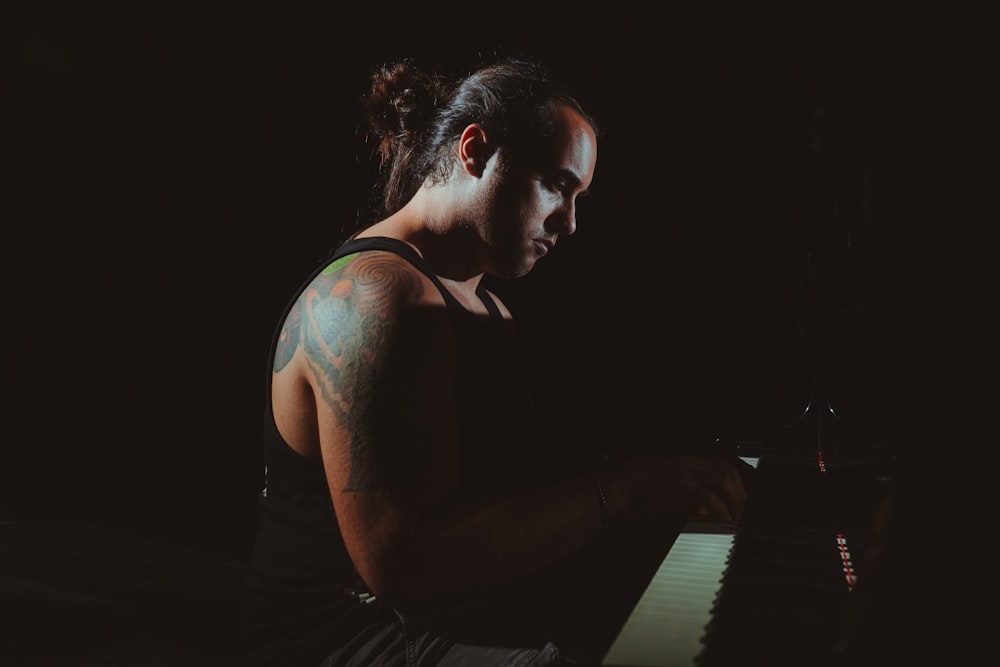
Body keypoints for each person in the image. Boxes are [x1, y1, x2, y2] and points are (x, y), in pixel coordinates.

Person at [242, 55, 749, 667]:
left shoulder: (489, 308)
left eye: (579, 196)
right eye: (557, 185)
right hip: (345, 638)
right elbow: (406, 565)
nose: (570, 222)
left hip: (453, 610)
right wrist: (623, 493)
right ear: (476, 151)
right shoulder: (376, 294)